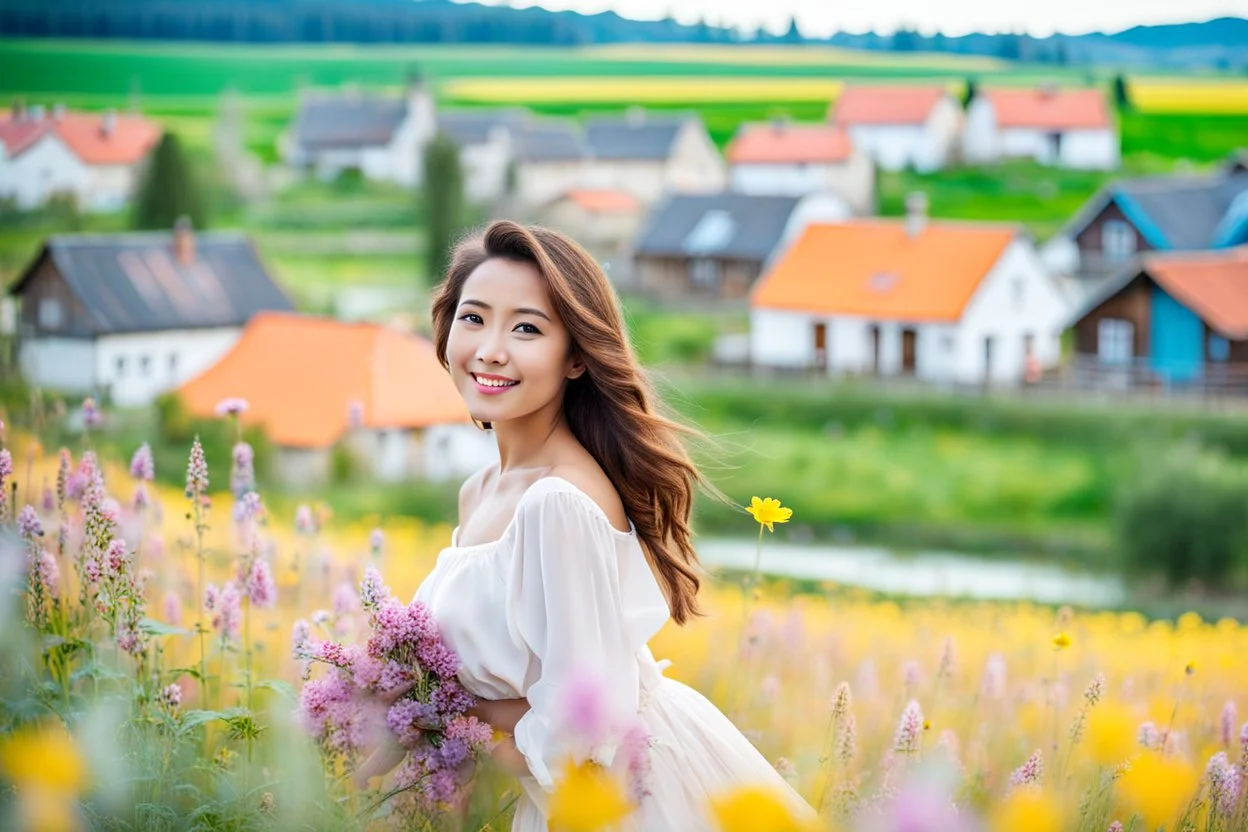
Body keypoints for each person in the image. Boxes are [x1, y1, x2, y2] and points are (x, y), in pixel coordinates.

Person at [393, 220, 815, 829]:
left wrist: (448, 730)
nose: (489, 349)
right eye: (474, 317)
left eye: (527, 329)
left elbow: (584, 737)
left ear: (575, 360)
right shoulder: (479, 492)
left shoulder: (557, 503)